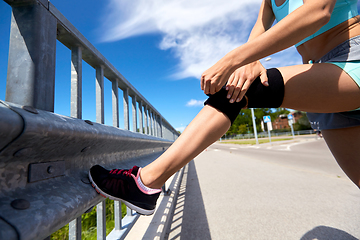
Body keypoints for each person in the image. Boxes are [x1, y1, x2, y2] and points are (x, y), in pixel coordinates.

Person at [89, 0, 360, 215]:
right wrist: (250, 61)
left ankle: (146, 182)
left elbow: (318, 11)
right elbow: (258, 33)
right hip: (318, 72)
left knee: (236, 93)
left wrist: (233, 60)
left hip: (350, 60)